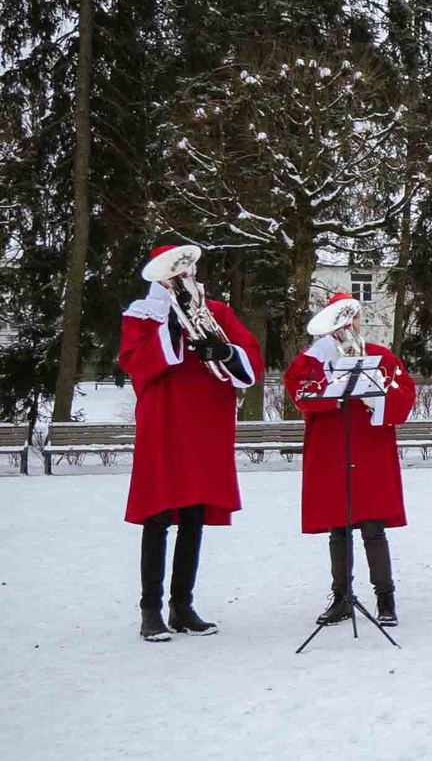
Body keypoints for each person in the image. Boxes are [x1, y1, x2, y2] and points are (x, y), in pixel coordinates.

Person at [119, 244, 261, 641]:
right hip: (164, 419)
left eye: (185, 270)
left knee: (195, 514)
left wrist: (226, 351)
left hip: (207, 421)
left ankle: (183, 606)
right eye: (172, 272)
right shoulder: (142, 315)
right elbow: (134, 361)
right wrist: (171, 333)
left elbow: (249, 356)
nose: (180, 277)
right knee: (158, 513)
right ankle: (151, 610)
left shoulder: (217, 311)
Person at [283, 292, 416, 628]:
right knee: (338, 528)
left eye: (353, 318)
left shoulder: (380, 356)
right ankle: (341, 598)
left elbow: (404, 392)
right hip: (333, 448)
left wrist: (379, 399)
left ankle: (386, 599)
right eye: (341, 319)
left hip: (370, 449)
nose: (348, 325)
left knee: (374, 528)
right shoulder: (312, 360)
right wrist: (331, 393)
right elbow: (298, 390)